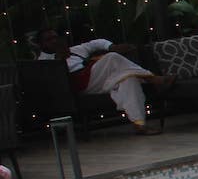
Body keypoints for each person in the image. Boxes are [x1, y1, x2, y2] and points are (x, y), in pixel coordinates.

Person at [32, 29, 171, 134]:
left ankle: (140, 124)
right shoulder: (42, 62)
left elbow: (97, 43)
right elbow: (56, 82)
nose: (54, 41)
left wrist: (111, 47)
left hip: (98, 80)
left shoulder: (75, 51)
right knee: (111, 58)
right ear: (41, 44)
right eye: (49, 39)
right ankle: (153, 79)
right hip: (79, 84)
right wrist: (60, 60)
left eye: (55, 37)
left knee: (129, 79)